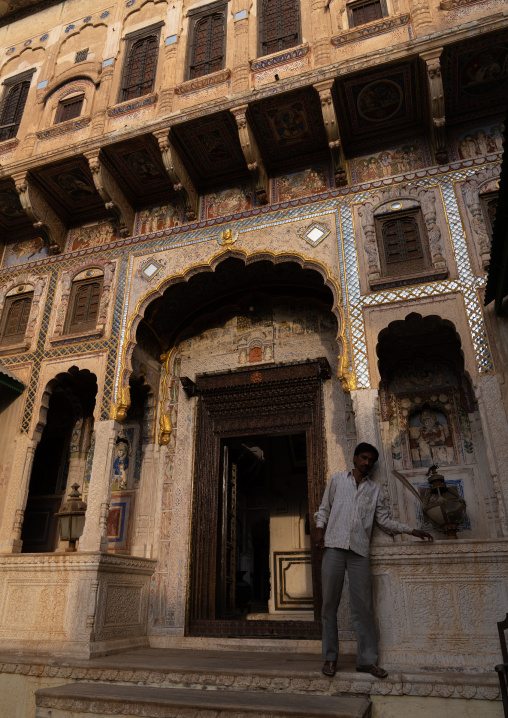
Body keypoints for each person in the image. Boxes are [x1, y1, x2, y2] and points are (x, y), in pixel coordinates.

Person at [314, 442, 433, 679]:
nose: (367, 463)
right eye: (364, 458)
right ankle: (330, 658)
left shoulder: (375, 490)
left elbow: (384, 521)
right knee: (329, 606)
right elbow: (324, 509)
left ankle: (366, 661)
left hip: (359, 552)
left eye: (371, 460)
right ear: (355, 458)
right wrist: (319, 529)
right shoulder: (337, 480)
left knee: (364, 608)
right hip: (334, 547)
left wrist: (410, 531)